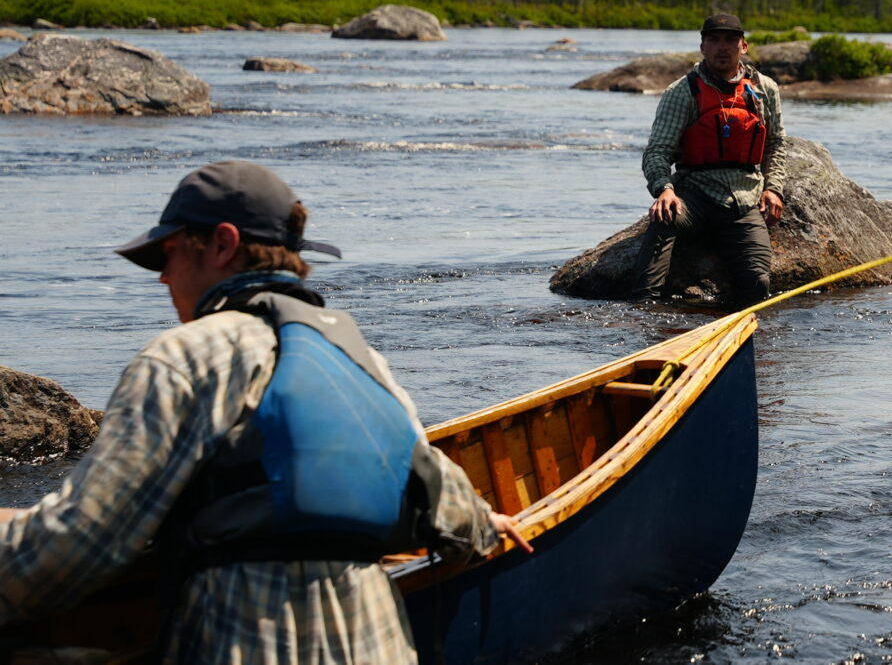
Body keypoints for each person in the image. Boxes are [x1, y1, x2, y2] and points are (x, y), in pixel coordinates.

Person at [0, 159, 530, 664]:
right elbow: (449, 509)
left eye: (167, 256)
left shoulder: (185, 357)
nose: (162, 278)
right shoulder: (359, 357)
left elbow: (79, 545)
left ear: (222, 244)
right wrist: (488, 524)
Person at [633, 12, 791, 308]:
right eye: (714, 40)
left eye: (730, 40)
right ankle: (644, 309)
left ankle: (741, 333)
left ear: (743, 46)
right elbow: (657, 151)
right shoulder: (682, 92)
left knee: (757, 282)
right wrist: (664, 189)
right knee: (664, 218)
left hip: (744, 200)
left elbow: (776, 144)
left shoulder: (765, 89)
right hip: (694, 195)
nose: (722, 47)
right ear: (702, 46)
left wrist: (774, 188)